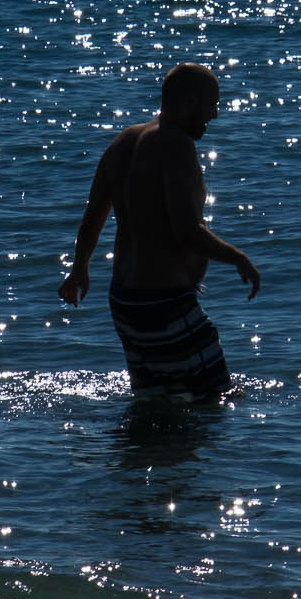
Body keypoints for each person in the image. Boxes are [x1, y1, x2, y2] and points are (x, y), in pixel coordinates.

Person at [58, 63, 259, 397]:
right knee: (218, 402)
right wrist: (238, 258)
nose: (216, 115)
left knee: (153, 407)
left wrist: (79, 269)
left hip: (125, 304)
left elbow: (93, 216)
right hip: (165, 305)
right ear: (190, 101)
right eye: (213, 104)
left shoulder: (123, 141)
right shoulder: (175, 145)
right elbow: (185, 230)